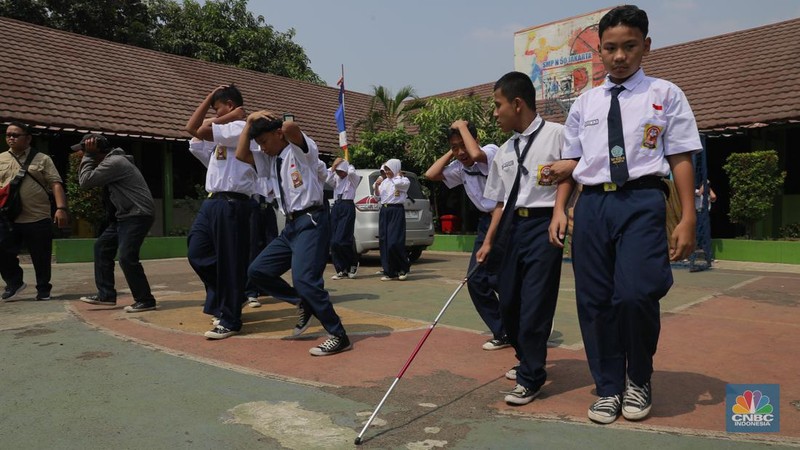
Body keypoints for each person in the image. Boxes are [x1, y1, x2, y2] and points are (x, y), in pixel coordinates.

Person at [554, 5, 700, 424]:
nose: (619, 56)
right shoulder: (585, 102)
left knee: (636, 294)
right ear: (599, 52)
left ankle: (638, 377)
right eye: (611, 48)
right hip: (595, 205)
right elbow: (571, 161)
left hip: (642, 201)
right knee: (595, 301)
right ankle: (607, 387)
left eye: (629, 46)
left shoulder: (665, 94)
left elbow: (680, 155)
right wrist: (561, 209)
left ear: (646, 46)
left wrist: (688, 216)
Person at [475, 72, 569, 406]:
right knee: (509, 301)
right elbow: (499, 202)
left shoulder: (558, 135)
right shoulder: (504, 150)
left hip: (543, 226)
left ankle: (531, 376)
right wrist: (488, 241)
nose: (495, 113)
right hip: (510, 229)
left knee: (535, 304)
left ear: (517, 103)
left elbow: (575, 173)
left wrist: (563, 211)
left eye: (498, 105)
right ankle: (524, 355)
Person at [236, 111, 352, 356]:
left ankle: (338, 334)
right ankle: (302, 302)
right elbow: (240, 154)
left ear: (278, 134)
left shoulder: (301, 151)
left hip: (311, 220)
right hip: (290, 227)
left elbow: (290, 126)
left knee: (305, 280)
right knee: (257, 271)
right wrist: (249, 123)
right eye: (260, 144)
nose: (262, 148)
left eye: (265, 141)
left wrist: (271, 120)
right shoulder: (272, 159)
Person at [424, 120, 509, 351]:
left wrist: (462, 127)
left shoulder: (491, 152)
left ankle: (528, 317)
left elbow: (475, 153)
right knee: (476, 281)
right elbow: (431, 174)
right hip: (485, 222)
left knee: (500, 278)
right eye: (454, 147)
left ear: (475, 139)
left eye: (463, 145)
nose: (461, 152)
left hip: (505, 220)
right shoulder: (461, 169)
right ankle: (503, 331)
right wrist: (452, 152)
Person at [185, 84, 257, 339]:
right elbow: (193, 131)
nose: (214, 114)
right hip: (213, 201)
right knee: (197, 251)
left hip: (234, 201)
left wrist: (233, 116)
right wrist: (210, 98)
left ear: (229, 105)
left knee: (229, 260)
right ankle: (232, 295)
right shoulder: (224, 129)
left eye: (217, 108)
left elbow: (199, 128)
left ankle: (230, 319)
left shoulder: (239, 128)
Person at [76, 134, 157, 312]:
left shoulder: (114, 162)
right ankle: (106, 295)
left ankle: (145, 300)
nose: (81, 154)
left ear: (95, 150)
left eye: (84, 151)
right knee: (102, 247)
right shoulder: (113, 161)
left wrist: (89, 157)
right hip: (124, 216)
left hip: (137, 214)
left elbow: (85, 181)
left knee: (127, 257)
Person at [0, 121, 69, 301]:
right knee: (2, 250)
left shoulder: (43, 159)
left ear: (28, 138)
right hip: (8, 217)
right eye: (8, 134)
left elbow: (55, 183)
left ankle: (43, 288)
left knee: (41, 255)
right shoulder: (1, 159)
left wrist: (61, 208)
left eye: (15, 135)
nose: (11, 138)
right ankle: (14, 282)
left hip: (37, 216)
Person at [374, 159, 410, 281]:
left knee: (395, 241)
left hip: (396, 210)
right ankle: (390, 271)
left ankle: (403, 268)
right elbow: (377, 197)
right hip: (384, 211)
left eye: (389, 169)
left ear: (395, 168)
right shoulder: (385, 182)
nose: (386, 172)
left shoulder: (403, 180)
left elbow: (399, 185)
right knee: (384, 241)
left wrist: (398, 175)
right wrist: (377, 186)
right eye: (386, 170)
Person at [327, 157, 361, 280]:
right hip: (337, 206)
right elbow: (327, 177)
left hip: (347, 206)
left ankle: (352, 263)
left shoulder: (352, 179)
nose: (339, 174)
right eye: (337, 171)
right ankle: (341, 269)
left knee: (343, 239)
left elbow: (351, 172)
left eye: (341, 171)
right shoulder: (336, 178)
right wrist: (334, 167)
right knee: (334, 241)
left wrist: (346, 164)